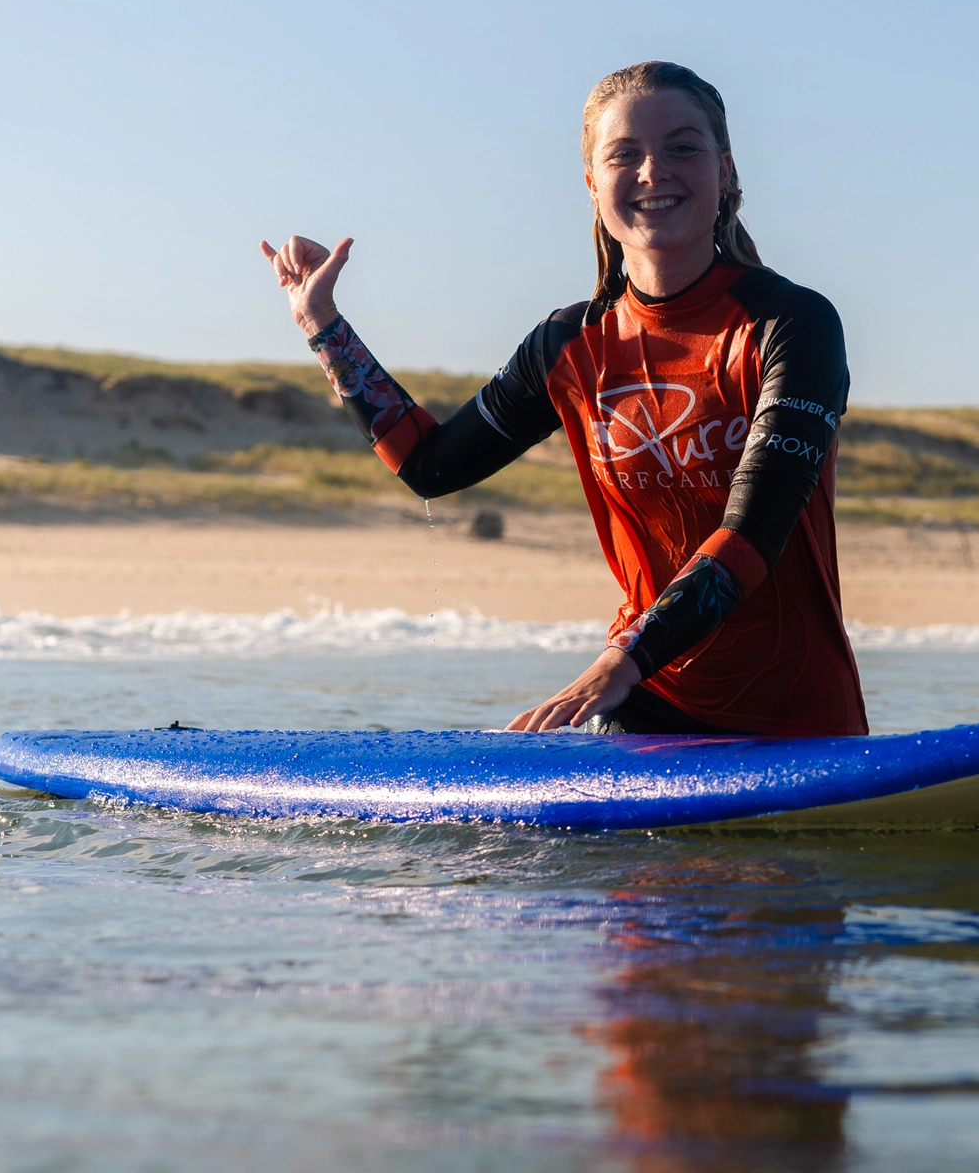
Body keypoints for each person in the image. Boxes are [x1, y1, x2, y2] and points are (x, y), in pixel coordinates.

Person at [261, 61, 866, 737]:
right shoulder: (568, 345)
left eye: (681, 148)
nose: (651, 171)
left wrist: (620, 659)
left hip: (801, 728)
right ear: (591, 185)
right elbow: (429, 464)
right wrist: (324, 328)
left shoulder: (791, 324)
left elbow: (755, 528)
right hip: (644, 710)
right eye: (624, 154)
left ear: (724, 171)